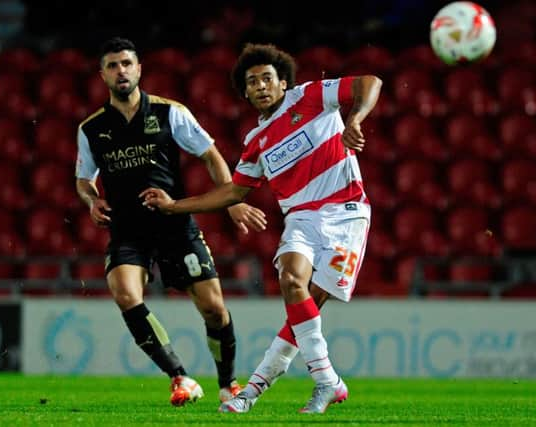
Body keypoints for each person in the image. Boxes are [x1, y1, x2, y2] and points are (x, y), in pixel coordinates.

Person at [140, 43, 382, 414]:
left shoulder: (311, 97)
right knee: (290, 279)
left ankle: (257, 389)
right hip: (301, 218)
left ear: (283, 83)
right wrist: (174, 206)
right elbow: (234, 192)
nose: (260, 86)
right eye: (252, 82)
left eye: (267, 78)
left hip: (345, 213)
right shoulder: (255, 143)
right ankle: (325, 381)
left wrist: (356, 119)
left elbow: (370, 81)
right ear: (246, 93)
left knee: (305, 310)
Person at [75, 37, 267, 407]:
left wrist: (230, 200)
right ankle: (179, 376)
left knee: (213, 308)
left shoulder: (169, 112)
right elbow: (84, 179)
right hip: (127, 228)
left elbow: (210, 155)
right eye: (113, 65)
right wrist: (91, 199)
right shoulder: (91, 128)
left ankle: (228, 385)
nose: (121, 71)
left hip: (174, 224)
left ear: (139, 68)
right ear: (102, 74)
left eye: (127, 63)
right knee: (125, 293)